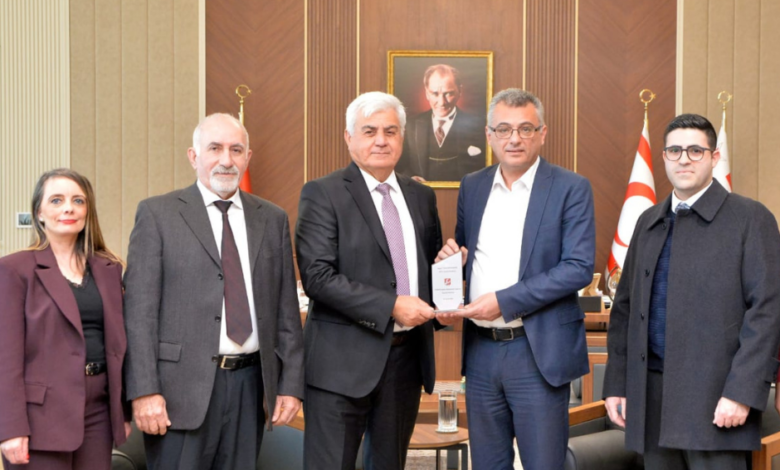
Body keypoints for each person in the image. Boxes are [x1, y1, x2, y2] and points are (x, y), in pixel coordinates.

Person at [123, 113, 304, 470]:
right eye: (215, 148)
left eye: (236, 150)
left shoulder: (272, 218)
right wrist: (144, 391)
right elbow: (139, 314)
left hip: (251, 386)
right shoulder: (158, 214)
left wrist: (291, 384)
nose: (226, 160)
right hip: (178, 391)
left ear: (247, 157)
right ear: (194, 156)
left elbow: (285, 309)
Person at [603, 113, 780, 470]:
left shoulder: (750, 218)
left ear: (715, 157)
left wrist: (741, 393)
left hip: (717, 399)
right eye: (675, 150)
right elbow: (624, 311)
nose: (684, 159)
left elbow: (767, 311)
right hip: (651, 398)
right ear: (664, 157)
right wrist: (617, 384)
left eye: (696, 151)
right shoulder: (648, 221)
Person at [435, 88, 596, 469]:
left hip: (537, 350)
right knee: (487, 463)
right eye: (504, 129)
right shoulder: (473, 186)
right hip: (480, 352)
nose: (514, 138)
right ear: (489, 135)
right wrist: (451, 264)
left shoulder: (570, 187)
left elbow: (577, 267)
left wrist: (505, 301)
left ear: (542, 133)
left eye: (526, 129)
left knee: (543, 463)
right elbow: (468, 254)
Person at [296, 91, 442, 470]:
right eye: (369, 131)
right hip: (340, 365)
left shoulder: (421, 196)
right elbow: (317, 277)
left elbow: (428, 268)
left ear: (402, 138)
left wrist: (449, 273)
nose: (381, 140)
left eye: (390, 131)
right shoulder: (322, 193)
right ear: (349, 137)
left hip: (405, 363)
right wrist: (391, 306)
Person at [0, 169, 130, 470]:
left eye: (78, 200)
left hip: (98, 411)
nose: (68, 208)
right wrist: (10, 428)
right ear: (39, 213)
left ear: (88, 211)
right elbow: (5, 358)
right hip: (40, 415)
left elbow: (119, 344)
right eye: (56, 200)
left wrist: (121, 411)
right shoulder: (14, 270)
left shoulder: (109, 269)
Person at [397, 64, 486, 182]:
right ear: (427, 93)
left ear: (460, 91)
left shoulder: (479, 127)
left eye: (448, 93)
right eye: (435, 94)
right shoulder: (410, 125)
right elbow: (398, 166)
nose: (442, 102)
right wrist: (409, 179)